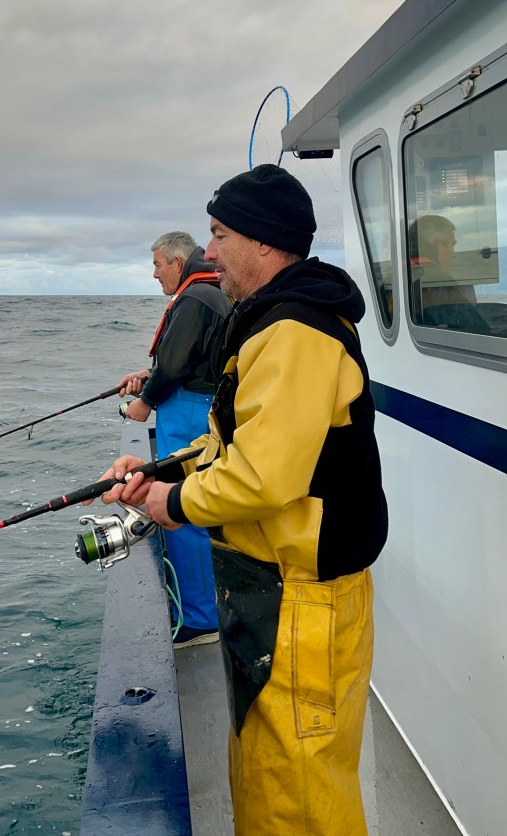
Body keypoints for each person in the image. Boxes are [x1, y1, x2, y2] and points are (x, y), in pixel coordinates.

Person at [97, 166, 388, 836]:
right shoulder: (274, 322)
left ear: (262, 243)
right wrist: (159, 469)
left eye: (220, 234)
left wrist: (169, 505)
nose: (210, 251)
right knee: (268, 776)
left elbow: (262, 479)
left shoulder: (296, 332)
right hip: (274, 594)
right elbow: (238, 443)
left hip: (302, 604)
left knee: (301, 795)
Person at [118, 231, 232, 649]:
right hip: (197, 406)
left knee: (181, 512)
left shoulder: (195, 299)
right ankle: (205, 607)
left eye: (157, 265)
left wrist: (145, 401)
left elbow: (177, 365)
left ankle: (200, 620)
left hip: (187, 413)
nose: (154, 274)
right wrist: (150, 376)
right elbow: (184, 360)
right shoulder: (208, 294)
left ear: (177, 264)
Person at [409, 215, 489, 332]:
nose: (453, 254)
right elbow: (478, 328)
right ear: (438, 246)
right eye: (452, 245)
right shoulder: (438, 281)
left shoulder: (400, 276)